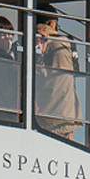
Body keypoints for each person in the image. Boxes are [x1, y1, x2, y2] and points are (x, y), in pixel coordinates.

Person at [33, 10, 82, 141]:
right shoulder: (61, 43)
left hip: (41, 112)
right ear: (52, 23)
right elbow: (66, 77)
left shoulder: (31, 40)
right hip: (60, 114)